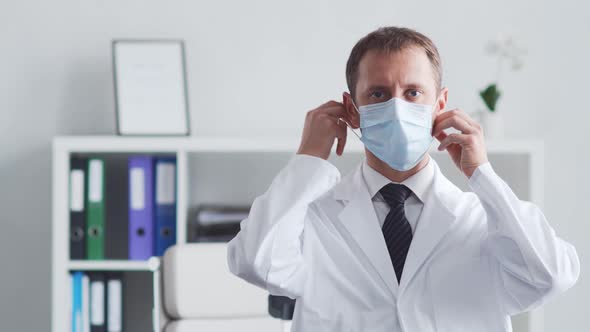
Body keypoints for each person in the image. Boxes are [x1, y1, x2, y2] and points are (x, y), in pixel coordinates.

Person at [227, 26, 579, 331]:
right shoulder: (316, 219)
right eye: (378, 94)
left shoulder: (482, 218)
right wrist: (307, 161)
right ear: (352, 110)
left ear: (440, 105)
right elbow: (254, 261)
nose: (397, 108)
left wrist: (481, 175)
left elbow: (549, 276)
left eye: (413, 93)